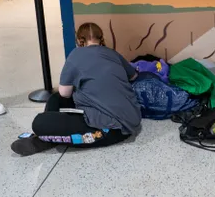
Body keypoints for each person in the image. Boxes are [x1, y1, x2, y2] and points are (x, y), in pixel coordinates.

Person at [11, 23, 142, 156]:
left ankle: (43, 138)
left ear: (79, 40)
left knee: (40, 123)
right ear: (100, 38)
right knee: (55, 99)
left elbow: (64, 93)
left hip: (109, 130)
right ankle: (48, 137)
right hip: (130, 119)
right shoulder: (113, 53)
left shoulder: (76, 55)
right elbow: (133, 75)